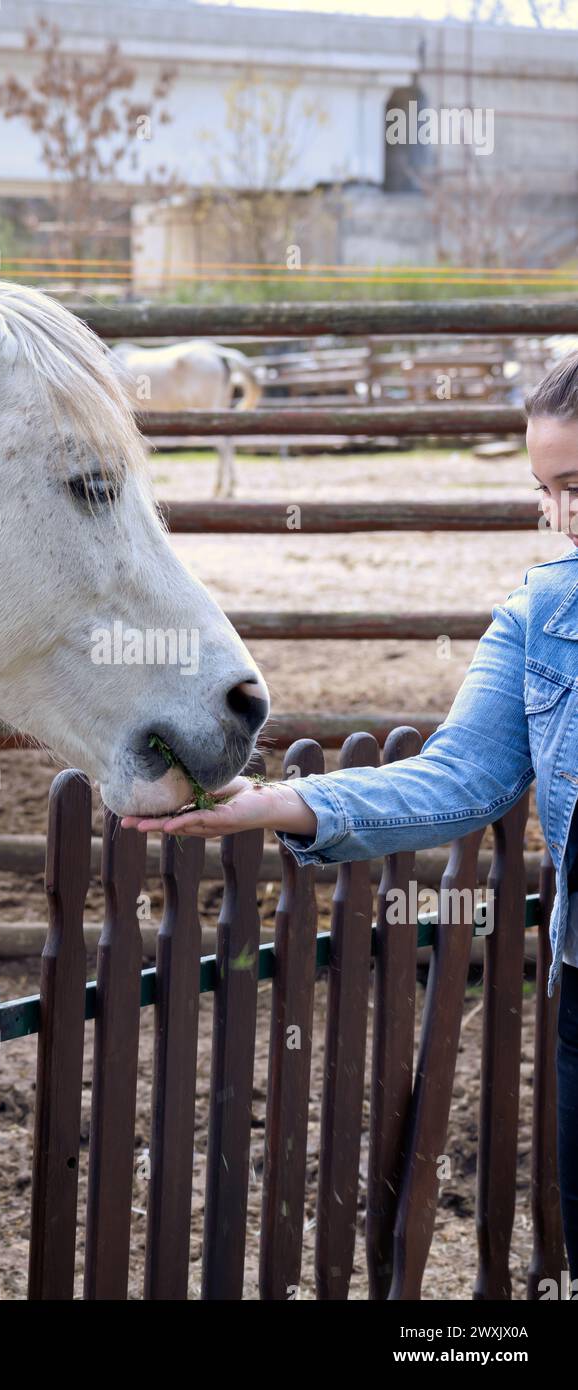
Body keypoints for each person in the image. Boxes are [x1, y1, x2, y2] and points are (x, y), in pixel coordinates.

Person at [121, 354, 578, 1289]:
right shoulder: (545, 613)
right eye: (546, 492)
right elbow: (462, 775)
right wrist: (281, 804)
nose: (563, 518)